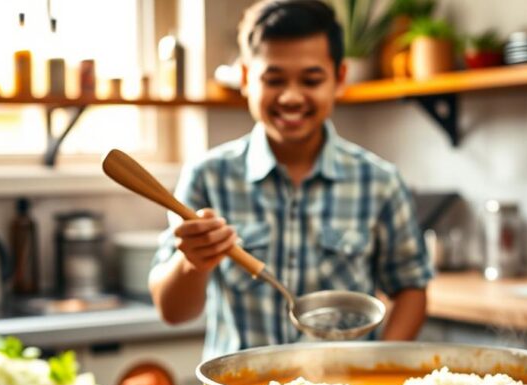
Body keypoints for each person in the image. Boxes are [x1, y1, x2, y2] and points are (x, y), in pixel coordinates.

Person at [149, 0, 433, 359]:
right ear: (247, 78)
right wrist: (192, 262)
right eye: (274, 79)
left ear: (339, 78)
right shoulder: (207, 176)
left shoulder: (380, 182)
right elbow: (172, 312)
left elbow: (411, 290)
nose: (292, 97)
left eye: (311, 80)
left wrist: (383, 369)